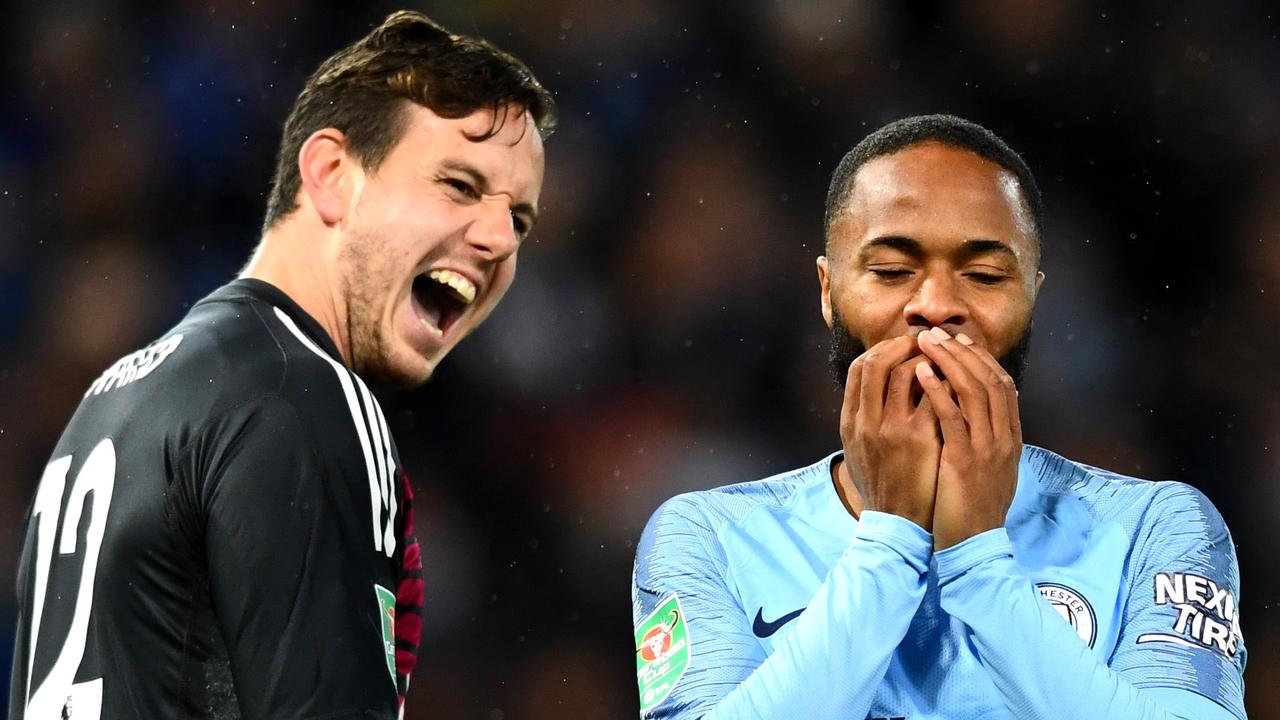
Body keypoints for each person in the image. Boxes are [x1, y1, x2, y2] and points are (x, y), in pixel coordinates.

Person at [10, 10, 554, 720]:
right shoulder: (302, 392)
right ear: (330, 174)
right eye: (458, 184)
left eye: (519, 218)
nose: (497, 239)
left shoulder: (117, 398)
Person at [631, 115, 1246, 719]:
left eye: (983, 275)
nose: (936, 307)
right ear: (827, 290)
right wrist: (888, 541)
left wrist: (980, 561)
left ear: (1033, 296)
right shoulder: (706, 537)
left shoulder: (1154, 528)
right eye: (893, 272)